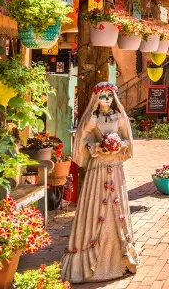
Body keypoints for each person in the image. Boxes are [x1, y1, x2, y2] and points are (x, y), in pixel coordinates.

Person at [61, 82, 138, 283]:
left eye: (109, 96)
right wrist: (98, 147)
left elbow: (127, 139)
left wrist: (119, 145)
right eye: (103, 97)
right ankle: (91, 264)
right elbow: (82, 139)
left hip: (115, 167)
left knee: (117, 207)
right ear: (97, 99)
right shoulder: (92, 118)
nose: (107, 100)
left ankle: (118, 260)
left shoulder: (118, 116)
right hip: (98, 169)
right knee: (95, 207)